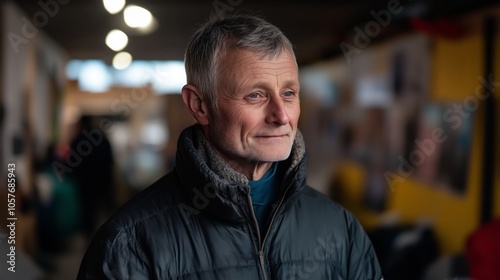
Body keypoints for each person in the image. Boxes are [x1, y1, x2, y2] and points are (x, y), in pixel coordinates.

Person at [77, 15, 382, 279]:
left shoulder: (341, 228)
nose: (281, 116)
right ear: (200, 105)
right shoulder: (130, 244)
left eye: (288, 93)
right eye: (255, 96)